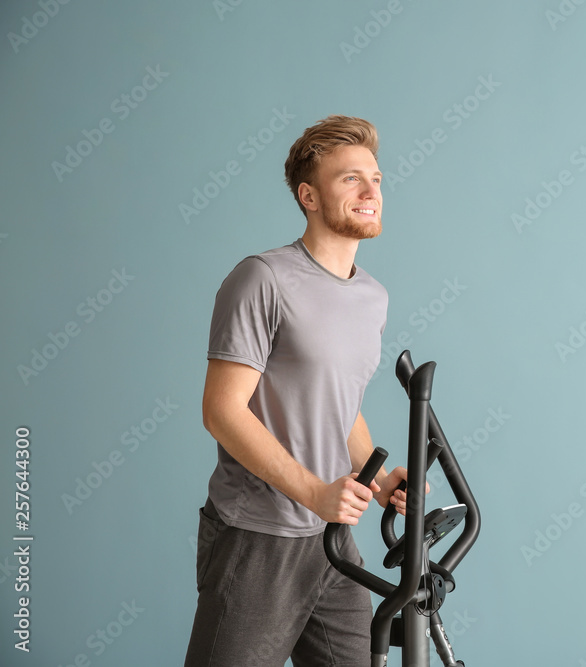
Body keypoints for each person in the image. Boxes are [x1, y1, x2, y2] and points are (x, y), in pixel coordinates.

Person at [184, 115, 413, 666]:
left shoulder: (373, 298)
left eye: (376, 179)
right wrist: (312, 491)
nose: (370, 191)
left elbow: (339, 404)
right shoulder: (261, 278)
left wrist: (377, 483)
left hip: (332, 538)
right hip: (256, 535)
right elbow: (221, 411)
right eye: (350, 179)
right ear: (308, 196)